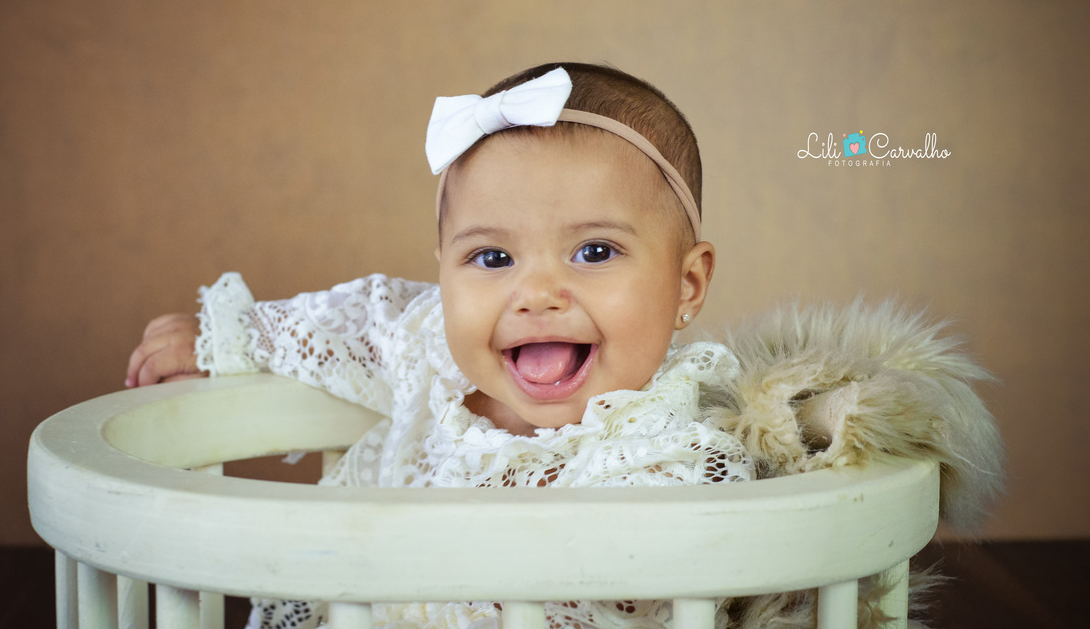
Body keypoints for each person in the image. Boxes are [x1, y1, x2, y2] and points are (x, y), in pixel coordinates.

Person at [125, 63, 1003, 629]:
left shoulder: (675, 444)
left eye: (594, 252)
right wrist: (227, 337)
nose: (537, 292)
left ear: (687, 285)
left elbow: (674, 572)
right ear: (444, 272)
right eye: (491, 258)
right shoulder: (426, 346)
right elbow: (356, 316)